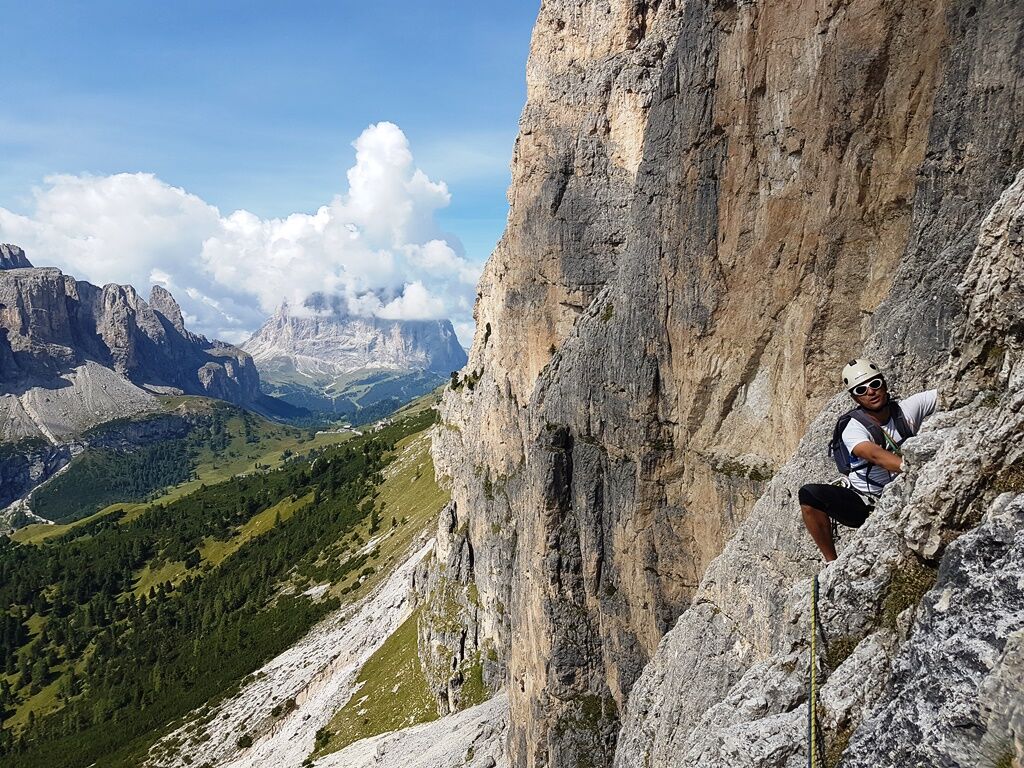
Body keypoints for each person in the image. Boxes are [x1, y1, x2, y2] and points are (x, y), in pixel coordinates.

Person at [799, 359, 937, 562]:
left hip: (906, 487)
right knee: (809, 495)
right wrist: (910, 468)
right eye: (861, 390)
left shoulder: (907, 409)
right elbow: (872, 454)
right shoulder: (853, 427)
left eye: (875, 384)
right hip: (864, 502)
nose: (870, 392)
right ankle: (831, 562)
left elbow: (948, 393)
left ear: (884, 384)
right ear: (855, 398)